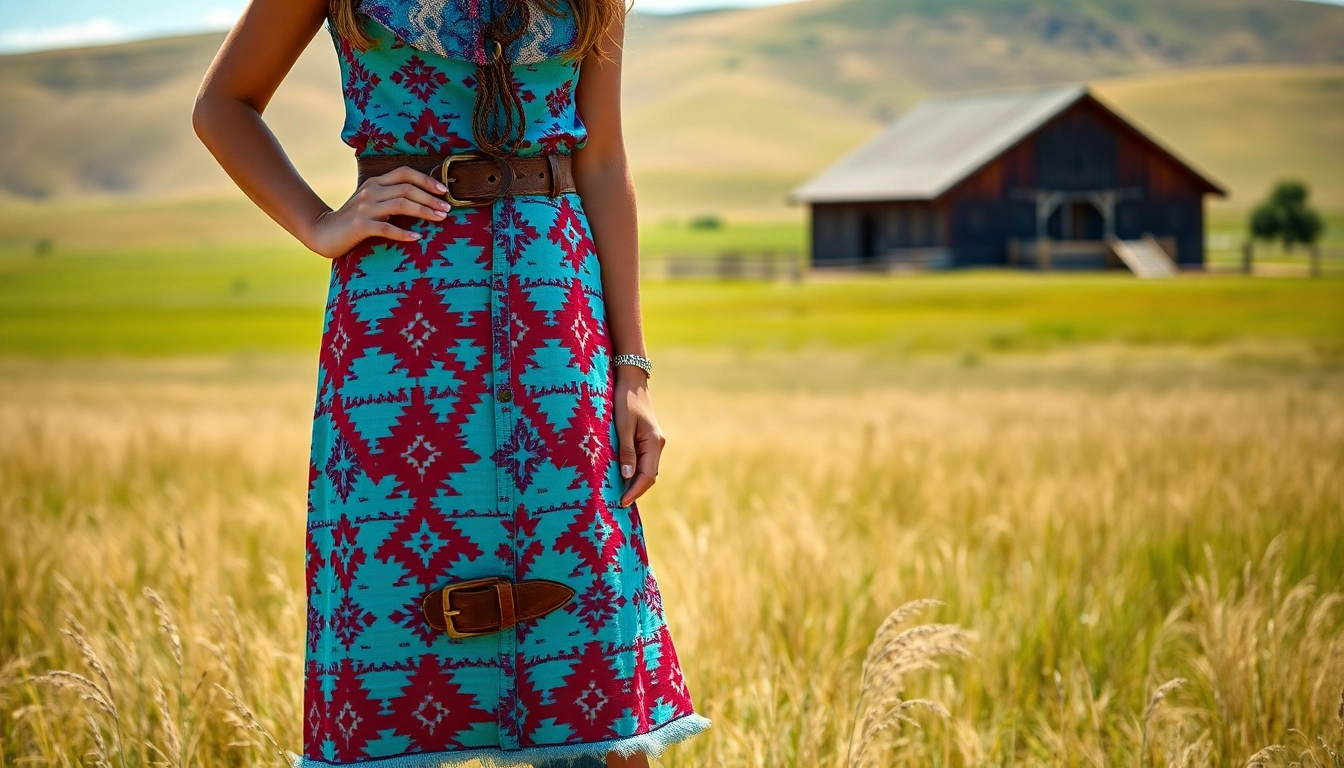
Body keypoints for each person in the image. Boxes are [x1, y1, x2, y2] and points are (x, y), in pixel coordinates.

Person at [192, 0, 710, 765]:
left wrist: (630, 369)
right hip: (395, 341)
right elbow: (222, 107)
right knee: (390, 621)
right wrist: (318, 223)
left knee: (587, 630)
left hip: (555, 332)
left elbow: (602, 161)